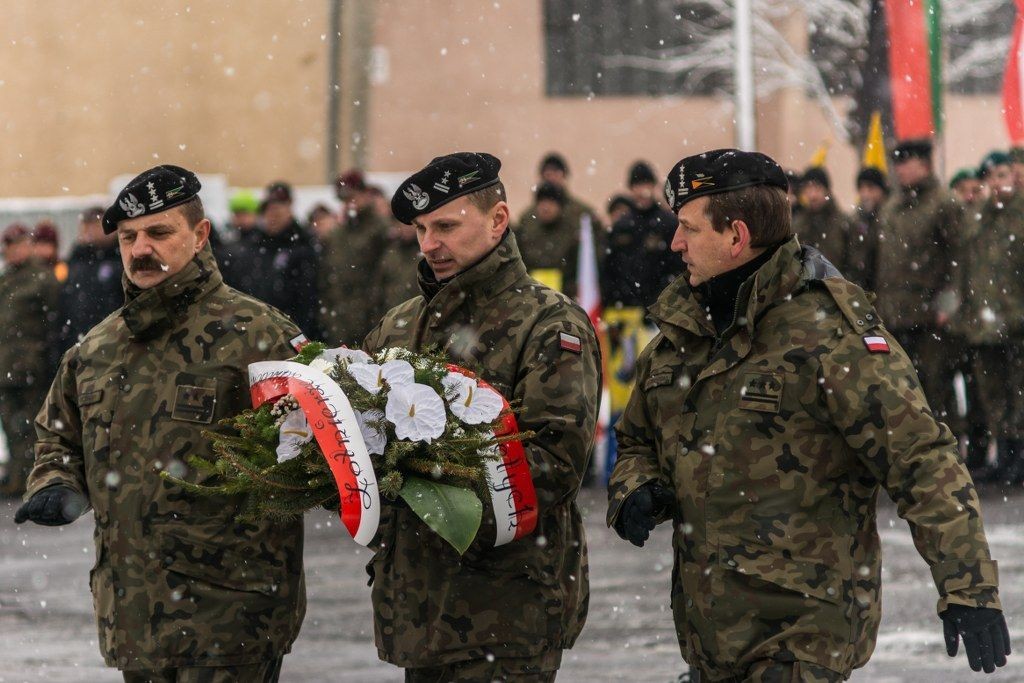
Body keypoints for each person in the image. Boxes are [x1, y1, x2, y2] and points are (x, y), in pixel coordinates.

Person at [607, 148, 1010, 680]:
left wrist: (969, 588)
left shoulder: (829, 333)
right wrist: (637, 487)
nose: (674, 242)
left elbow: (922, 461)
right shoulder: (684, 329)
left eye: (687, 228)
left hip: (802, 637)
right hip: (708, 638)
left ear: (737, 236)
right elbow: (636, 440)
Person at [14, 165, 307, 682]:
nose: (140, 249)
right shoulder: (98, 348)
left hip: (231, 616)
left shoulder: (258, 335)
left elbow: (313, 451)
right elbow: (57, 431)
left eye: (159, 232)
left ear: (199, 235)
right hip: (133, 614)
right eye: (128, 237)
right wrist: (56, 481)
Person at [362, 152, 600, 682]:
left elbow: (554, 465)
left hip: (505, 609)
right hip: (417, 610)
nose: (429, 244)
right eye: (421, 229)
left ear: (497, 220)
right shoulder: (398, 326)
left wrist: (422, 466)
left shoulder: (547, 323)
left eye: (446, 225)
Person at [874, 139, 961, 424]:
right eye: (896, 163)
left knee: (936, 393)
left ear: (924, 164)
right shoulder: (892, 207)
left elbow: (959, 257)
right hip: (894, 316)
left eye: (905, 162)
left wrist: (948, 304)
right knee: (900, 395)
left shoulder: (944, 203)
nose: (899, 170)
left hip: (930, 318)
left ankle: (947, 461)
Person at [957, 151, 1024, 484]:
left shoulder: (1020, 215)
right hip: (984, 324)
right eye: (991, 178)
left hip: (1017, 322)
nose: (996, 184)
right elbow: (967, 268)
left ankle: (1018, 459)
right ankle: (1006, 456)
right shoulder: (979, 217)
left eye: (1001, 175)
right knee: (993, 395)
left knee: (1018, 394)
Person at [0, 223, 59, 497]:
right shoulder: (6, 279)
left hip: (31, 366)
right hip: (6, 366)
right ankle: (16, 477)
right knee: (12, 426)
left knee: (34, 426)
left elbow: (55, 323)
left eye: (17, 245)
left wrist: (48, 359)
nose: (11, 251)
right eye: (8, 246)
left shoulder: (42, 278)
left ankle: (37, 479)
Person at [318, 169, 389, 346]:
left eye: (352, 197)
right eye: (344, 200)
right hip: (340, 324)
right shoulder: (338, 234)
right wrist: (329, 317)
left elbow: (388, 278)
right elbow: (328, 277)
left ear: (366, 194)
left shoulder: (381, 230)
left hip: (372, 323)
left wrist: (377, 317)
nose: (349, 203)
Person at [242, 181, 321, 338]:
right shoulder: (255, 244)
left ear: (289, 210)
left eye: (278, 211)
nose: (273, 217)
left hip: (290, 331)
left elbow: (307, 300)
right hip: (257, 330)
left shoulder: (303, 246)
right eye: (270, 211)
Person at [601, 160, 682, 311]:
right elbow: (610, 268)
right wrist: (617, 298)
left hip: (662, 306)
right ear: (631, 188)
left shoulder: (668, 223)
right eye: (638, 185)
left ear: (653, 187)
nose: (643, 191)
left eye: (647, 185)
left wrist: (662, 297)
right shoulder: (621, 226)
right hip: (626, 309)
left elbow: (677, 265)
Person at [52, 206, 124, 364]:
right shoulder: (73, 261)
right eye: (85, 226)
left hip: (111, 348)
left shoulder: (121, 261)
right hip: (75, 346)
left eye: (95, 226)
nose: (89, 231)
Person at [515, 181, 602, 298]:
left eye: (551, 202)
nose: (546, 207)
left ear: (560, 206)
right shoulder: (526, 228)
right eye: (542, 202)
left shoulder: (572, 230)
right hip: (530, 295)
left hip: (565, 296)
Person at [793, 166, 854, 271]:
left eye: (817, 188)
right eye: (808, 189)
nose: (813, 195)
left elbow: (853, 264)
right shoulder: (798, 224)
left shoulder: (843, 223)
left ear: (827, 191)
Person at [845, 167, 888, 291]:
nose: (865, 194)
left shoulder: (890, 219)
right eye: (861, 189)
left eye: (870, 188)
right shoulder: (855, 221)